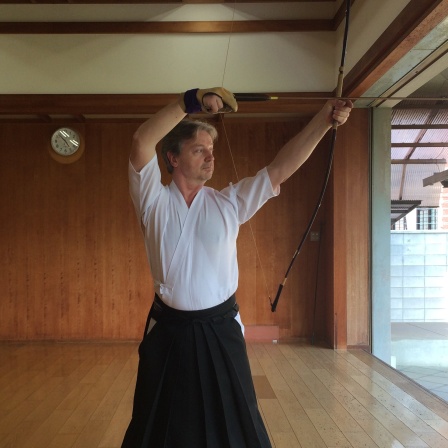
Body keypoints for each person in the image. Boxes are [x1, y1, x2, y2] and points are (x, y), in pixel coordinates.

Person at [122, 87, 352, 448]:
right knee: (157, 418)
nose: (209, 158)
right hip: (168, 329)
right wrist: (191, 101)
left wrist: (324, 120)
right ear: (172, 158)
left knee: (237, 417)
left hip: (220, 327)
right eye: (199, 150)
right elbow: (140, 140)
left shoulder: (228, 202)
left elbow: (279, 169)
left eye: (211, 151)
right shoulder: (152, 200)